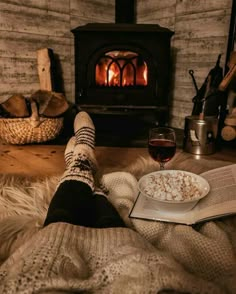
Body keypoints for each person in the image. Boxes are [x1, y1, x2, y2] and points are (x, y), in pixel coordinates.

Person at [0, 112, 227, 294]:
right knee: (110, 227)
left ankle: (80, 164)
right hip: (140, 269)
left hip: (42, 270)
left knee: (60, 222)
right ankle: (85, 165)